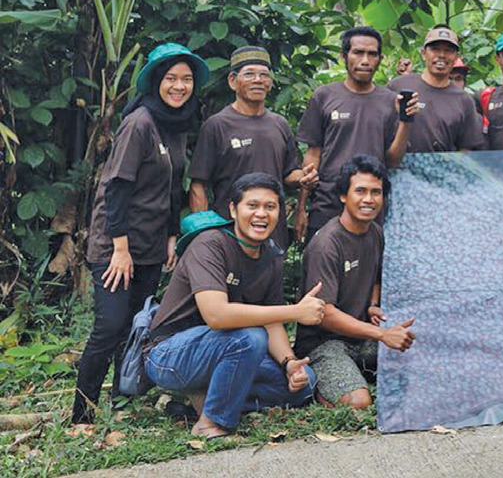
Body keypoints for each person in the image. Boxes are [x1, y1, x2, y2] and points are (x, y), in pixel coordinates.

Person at [72, 43, 207, 425]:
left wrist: (169, 236)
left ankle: (121, 403)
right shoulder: (141, 122)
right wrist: (120, 248)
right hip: (116, 246)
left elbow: (171, 188)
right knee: (110, 327)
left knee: (136, 326)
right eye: (171, 79)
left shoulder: (176, 123)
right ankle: (81, 416)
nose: (179, 87)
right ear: (155, 82)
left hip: (150, 245)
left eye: (186, 79)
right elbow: (116, 186)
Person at [146, 173, 326, 438]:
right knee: (249, 338)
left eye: (270, 207)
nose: (261, 214)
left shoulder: (271, 256)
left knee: (305, 382)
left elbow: (271, 322)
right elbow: (217, 316)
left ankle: (197, 400)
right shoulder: (209, 244)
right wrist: (296, 311)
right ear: (233, 209)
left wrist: (289, 363)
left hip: (230, 351)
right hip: (169, 354)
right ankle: (210, 422)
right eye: (252, 206)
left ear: (281, 212)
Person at [295, 156, 415, 409]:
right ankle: (320, 385)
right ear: (343, 196)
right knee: (359, 402)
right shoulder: (326, 244)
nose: (369, 200)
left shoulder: (375, 232)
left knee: (423, 361)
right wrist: (382, 334)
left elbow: (375, 276)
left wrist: (372, 304)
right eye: (360, 191)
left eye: (376, 192)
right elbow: (324, 314)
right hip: (324, 342)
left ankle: (360, 373)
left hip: (361, 338)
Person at [295, 27, 417, 243]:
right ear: (344, 56)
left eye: (372, 54)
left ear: (380, 59)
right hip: (327, 203)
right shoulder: (324, 96)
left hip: (371, 208)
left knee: (368, 273)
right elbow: (313, 154)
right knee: (321, 268)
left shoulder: (390, 101)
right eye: (358, 53)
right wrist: (302, 207)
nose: (365, 60)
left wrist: (405, 121)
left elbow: (393, 161)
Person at [189, 47, 317, 249]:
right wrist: (201, 235)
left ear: (270, 83)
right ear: (233, 81)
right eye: (249, 74)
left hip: (272, 231)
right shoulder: (217, 125)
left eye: (264, 75)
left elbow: (288, 174)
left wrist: (303, 178)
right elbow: (198, 185)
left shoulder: (279, 124)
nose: (258, 80)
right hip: (229, 232)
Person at [387, 27, 484, 152]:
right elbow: (380, 131)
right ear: (423, 53)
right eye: (435, 49)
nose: (441, 55)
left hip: (441, 169)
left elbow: (467, 148)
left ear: (456, 57)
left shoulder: (464, 100)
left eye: (448, 51)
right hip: (399, 168)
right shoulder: (398, 86)